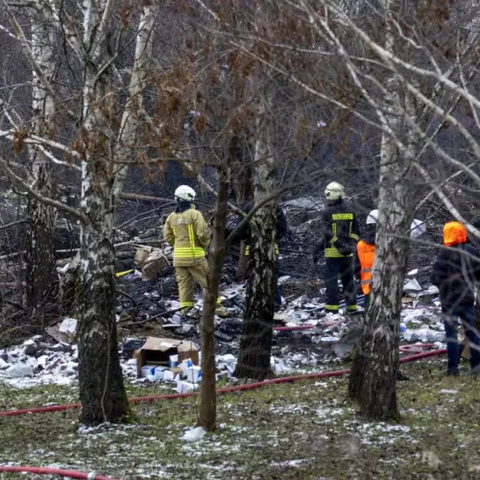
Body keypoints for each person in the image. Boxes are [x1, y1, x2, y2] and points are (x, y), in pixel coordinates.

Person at [164, 185, 226, 317]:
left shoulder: (171, 217)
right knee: (208, 282)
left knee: (184, 285)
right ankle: (218, 309)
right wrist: (205, 244)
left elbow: (167, 237)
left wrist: (179, 246)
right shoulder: (195, 214)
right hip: (195, 257)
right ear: (190, 198)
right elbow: (202, 234)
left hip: (178, 259)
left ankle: (186, 310)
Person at [431, 221, 480, 376]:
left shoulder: (444, 253)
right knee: (472, 334)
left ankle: (453, 369)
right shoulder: (472, 252)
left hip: (449, 301)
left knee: (451, 335)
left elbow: (434, 278)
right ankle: (476, 367)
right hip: (467, 299)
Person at [314, 182, 360, 314]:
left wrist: (337, 246)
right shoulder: (351, 212)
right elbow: (357, 233)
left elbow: (328, 235)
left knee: (331, 281)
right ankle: (352, 307)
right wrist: (350, 246)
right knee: (348, 281)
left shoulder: (326, 212)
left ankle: (331, 309)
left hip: (333, 253)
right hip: (348, 254)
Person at [238, 201, 287, 307]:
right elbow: (283, 228)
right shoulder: (275, 206)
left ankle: (255, 305)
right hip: (271, 251)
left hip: (253, 251)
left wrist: (248, 240)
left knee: (253, 280)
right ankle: (276, 304)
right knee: (272, 279)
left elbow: (240, 229)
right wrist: (274, 238)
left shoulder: (248, 207)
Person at [355, 209, 378, 311]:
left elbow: (356, 265)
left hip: (367, 285)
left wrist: (359, 280)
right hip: (385, 286)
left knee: (369, 312)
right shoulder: (388, 244)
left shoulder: (360, 244)